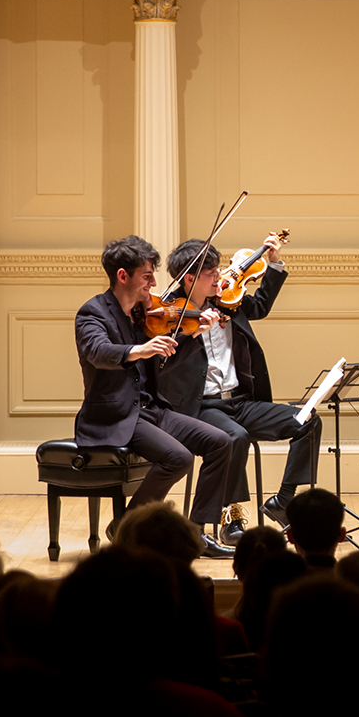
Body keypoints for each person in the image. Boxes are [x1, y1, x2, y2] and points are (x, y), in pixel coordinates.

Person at [73, 235, 233, 558]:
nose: (154, 284)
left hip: (151, 409)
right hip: (116, 414)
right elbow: (98, 352)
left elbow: (163, 359)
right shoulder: (92, 313)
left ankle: (198, 531)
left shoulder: (143, 315)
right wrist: (138, 350)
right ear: (123, 276)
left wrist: (190, 334)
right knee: (180, 458)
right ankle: (127, 525)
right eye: (147, 276)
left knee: (220, 442)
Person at [157, 234, 322, 541]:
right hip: (201, 407)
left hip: (242, 402)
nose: (219, 277)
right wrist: (193, 332)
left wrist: (273, 264)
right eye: (211, 274)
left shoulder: (229, 301)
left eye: (219, 270)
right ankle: (230, 518)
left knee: (308, 421)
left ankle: (283, 501)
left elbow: (260, 306)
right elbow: (161, 364)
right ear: (190, 279)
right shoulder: (169, 317)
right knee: (235, 437)